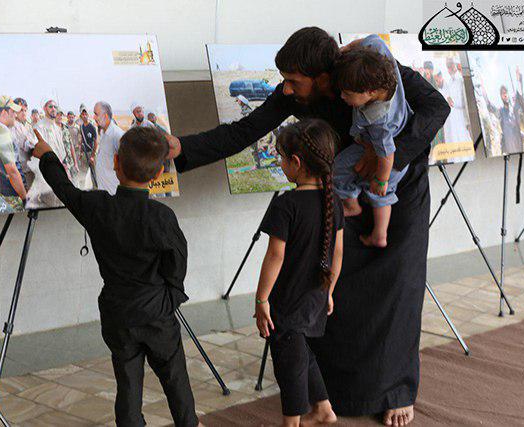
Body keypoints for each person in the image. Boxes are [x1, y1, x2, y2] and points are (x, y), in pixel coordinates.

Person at [166, 27, 450, 427]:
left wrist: (388, 158)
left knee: (396, 288)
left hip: (398, 189)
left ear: (323, 78)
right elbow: (243, 132)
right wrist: (184, 147)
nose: (286, 88)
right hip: (341, 196)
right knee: (334, 290)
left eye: (294, 81)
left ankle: (395, 392)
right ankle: (330, 390)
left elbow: (437, 107)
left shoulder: (371, 69)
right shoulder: (293, 94)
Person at [31, 126, 200, 427]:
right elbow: (177, 265)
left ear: (115, 163)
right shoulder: (162, 217)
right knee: (175, 379)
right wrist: (168, 298)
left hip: (117, 313)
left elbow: (64, 189)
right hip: (157, 314)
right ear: (158, 172)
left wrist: (48, 156)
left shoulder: (97, 207)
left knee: (128, 384)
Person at [255, 119, 343, 427]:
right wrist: (329, 291)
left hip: (288, 301)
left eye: (281, 158)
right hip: (317, 295)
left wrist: (262, 299)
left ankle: (291, 423)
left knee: (288, 365)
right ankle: (323, 409)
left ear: (296, 162)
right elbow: (338, 253)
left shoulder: (287, 204)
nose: (280, 163)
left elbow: (275, 256)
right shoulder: (333, 201)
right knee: (302, 350)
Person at [331, 34, 411, 248]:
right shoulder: (382, 63)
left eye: (347, 93)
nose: (342, 97)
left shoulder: (377, 120)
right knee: (381, 197)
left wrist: (381, 179)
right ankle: (379, 236)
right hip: (390, 142)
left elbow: (387, 153)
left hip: (386, 158)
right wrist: (347, 49)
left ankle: (351, 205)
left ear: (371, 92)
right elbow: (375, 39)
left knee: (337, 170)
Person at [0, 96, 27, 210]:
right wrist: (25, 198)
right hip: (11, 196)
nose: (15, 115)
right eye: (13, 112)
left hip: (3, 192)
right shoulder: (2, 133)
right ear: (4, 112)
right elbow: (12, 171)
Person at [481, 84, 524, 154]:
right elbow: (489, 105)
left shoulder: (514, 109)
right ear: (501, 96)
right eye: (503, 93)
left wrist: (519, 80)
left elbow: (520, 98)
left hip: (520, 146)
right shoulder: (501, 112)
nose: (505, 95)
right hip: (509, 148)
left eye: (506, 92)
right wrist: (483, 88)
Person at [94, 101, 124, 194]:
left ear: (105, 116)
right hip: (104, 191)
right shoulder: (103, 133)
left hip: (114, 192)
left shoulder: (117, 134)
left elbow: (127, 165)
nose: (94, 117)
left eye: (96, 114)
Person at [441, 57, 471, 143]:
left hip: (462, 119)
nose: (449, 68)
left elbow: (465, 101)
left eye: (451, 65)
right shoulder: (449, 82)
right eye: (448, 66)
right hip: (453, 121)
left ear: (455, 65)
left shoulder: (461, 80)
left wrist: (452, 102)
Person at [12, 97, 37, 188]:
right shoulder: (14, 126)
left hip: (29, 167)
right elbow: (28, 146)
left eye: (25, 110)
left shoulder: (24, 125)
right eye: (21, 110)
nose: (24, 113)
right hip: (23, 170)